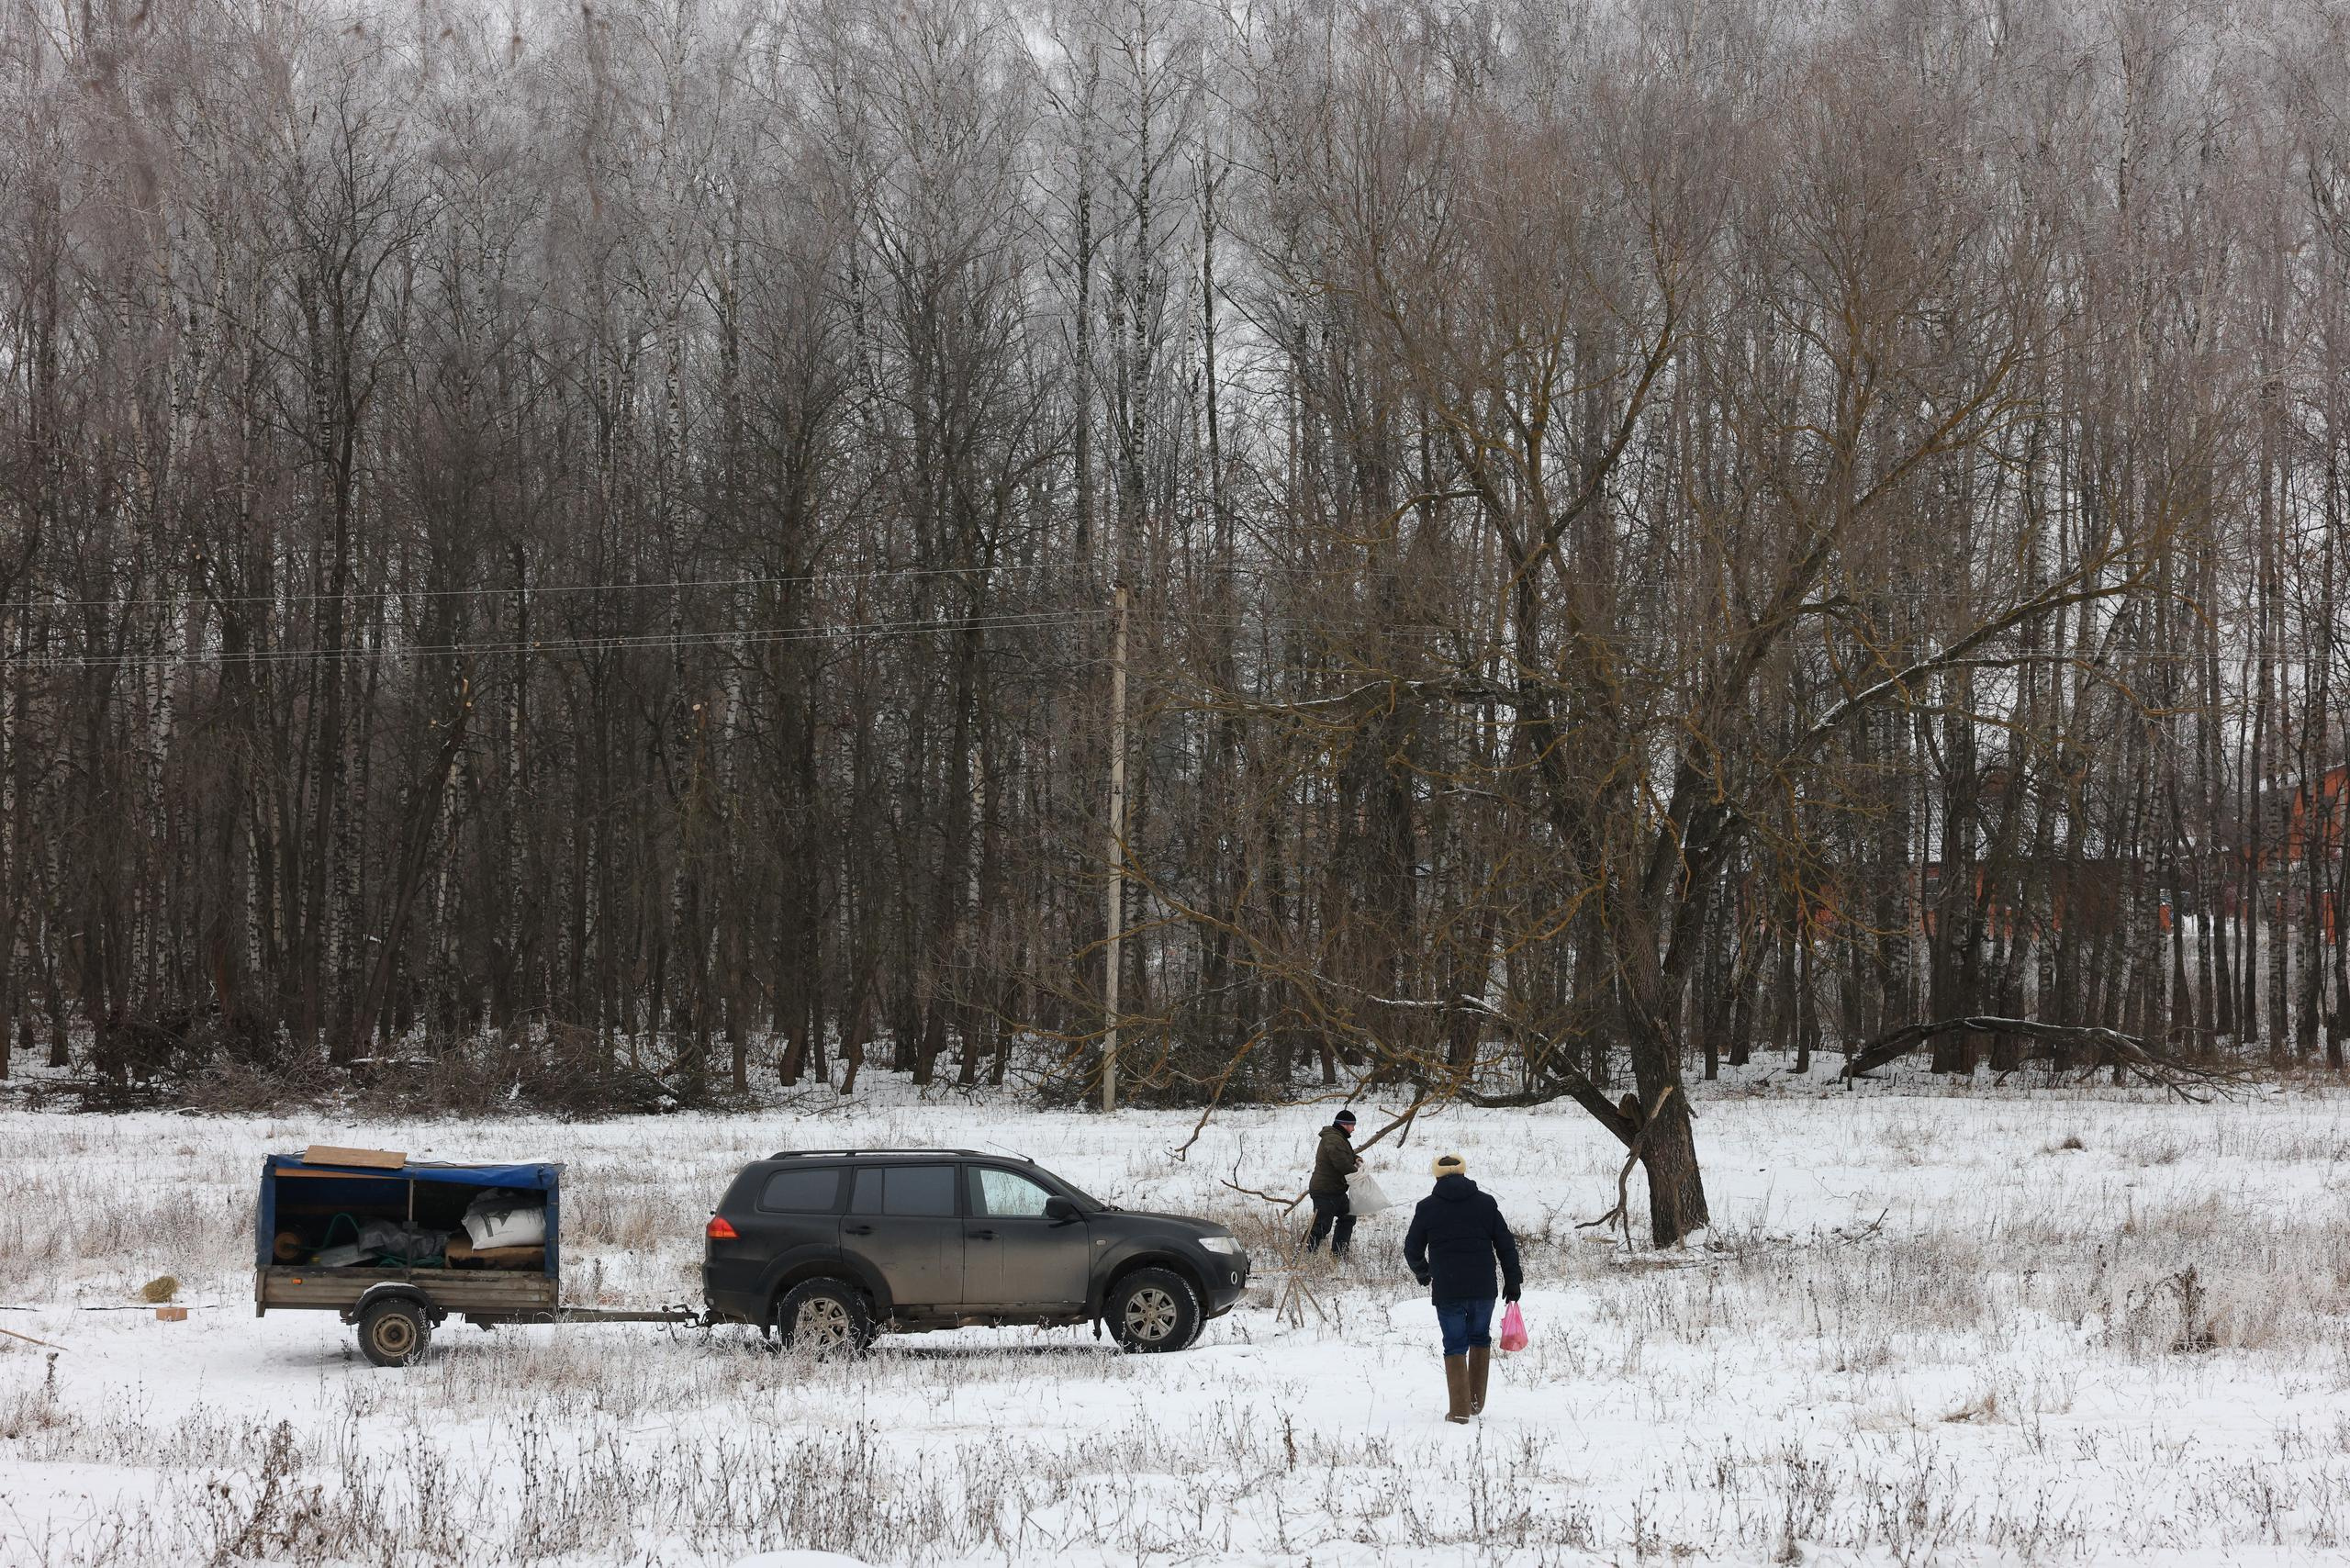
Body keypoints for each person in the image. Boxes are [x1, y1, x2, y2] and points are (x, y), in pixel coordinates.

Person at [1402, 1152, 1522, 1424]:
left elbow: (1412, 1249)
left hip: (1448, 1288)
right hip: (1483, 1287)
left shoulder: (1427, 1207)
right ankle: (1475, 1403)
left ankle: (1459, 1411)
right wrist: (1512, 1280)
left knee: (1454, 1344)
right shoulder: (1486, 1204)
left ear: (1436, 1175)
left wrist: (1424, 1273)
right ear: (1464, 1172)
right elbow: (1506, 1245)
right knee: (1479, 1338)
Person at [1304, 1108, 1361, 1258]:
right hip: (1325, 1191)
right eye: (1351, 1125)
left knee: (1348, 1216)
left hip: (1336, 1190)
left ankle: (1339, 1253)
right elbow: (1341, 1163)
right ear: (1343, 1124)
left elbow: (1345, 1155)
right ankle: (1303, 1255)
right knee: (1321, 1226)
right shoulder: (1333, 1139)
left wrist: (1355, 1158)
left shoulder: (1338, 1138)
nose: (1353, 1129)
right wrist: (1358, 1174)